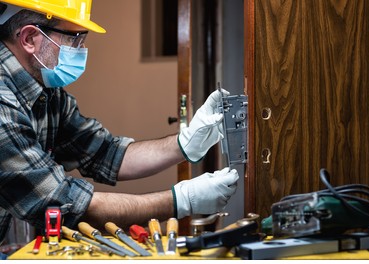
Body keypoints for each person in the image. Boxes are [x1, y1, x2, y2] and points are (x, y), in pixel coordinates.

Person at [0, 0, 239, 250]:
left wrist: (185, 144)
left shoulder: (46, 92)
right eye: (74, 39)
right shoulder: (3, 104)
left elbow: (105, 153)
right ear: (29, 38)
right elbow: (60, 202)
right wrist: (182, 200)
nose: (81, 49)